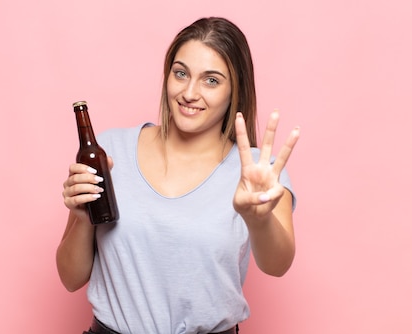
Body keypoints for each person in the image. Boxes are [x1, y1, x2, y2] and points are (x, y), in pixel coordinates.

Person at [57, 17, 300, 334]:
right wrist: (81, 217)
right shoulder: (111, 151)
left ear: (234, 90)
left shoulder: (257, 172)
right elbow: (70, 277)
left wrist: (258, 219)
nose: (189, 92)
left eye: (211, 81)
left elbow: (277, 265)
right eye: (181, 73)